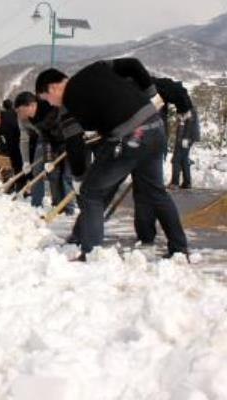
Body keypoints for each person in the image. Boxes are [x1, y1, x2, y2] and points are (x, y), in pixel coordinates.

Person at [35, 58, 188, 260]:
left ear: (53, 88)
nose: (50, 103)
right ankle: (179, 249)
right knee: (155, 193)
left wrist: (79, 178)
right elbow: (132, 64)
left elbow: (74, 144)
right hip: (156, 127)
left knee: (91, 193)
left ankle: (91, 253)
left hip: (130, 138)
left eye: (46, 99)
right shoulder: (96, 68)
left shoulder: (68, 104)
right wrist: (151, 93)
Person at [152, 77, 200, 189]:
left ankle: (175, 183)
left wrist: (185, 138)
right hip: (185, 137)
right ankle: (187, 182)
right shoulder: (187, 106)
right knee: (183, 158)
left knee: (176, 159)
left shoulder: (187, 109)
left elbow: (189, 124)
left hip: (185, 137)